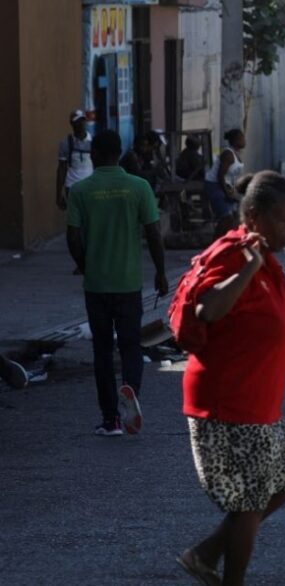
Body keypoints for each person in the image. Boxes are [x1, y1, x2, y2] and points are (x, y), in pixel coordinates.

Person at [178, 171, 285, 586]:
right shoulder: (235, 255)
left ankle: (206, 553)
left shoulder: (267, 260)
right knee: (250, 500)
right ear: (252, 215)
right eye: (283, 220)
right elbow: (208, 311)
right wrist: (248, 268)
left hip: (260, 405)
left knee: (282, 485)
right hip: (228, 402)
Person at [65, 130, 168, 437]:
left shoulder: (81, 191)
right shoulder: (138, 187)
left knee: (102, 350)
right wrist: (161, 272)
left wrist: (84, 266)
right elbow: (153, 233)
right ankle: (131, 389)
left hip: (97, 285)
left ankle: (110, 420)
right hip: (128, 283)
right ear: (119, 152)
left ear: (94, 154)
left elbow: (72, 237)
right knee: (130, 344)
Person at [206, 129, 247, 238]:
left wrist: (232, 192)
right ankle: (214, 244)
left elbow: (231, 178)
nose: (244, 140)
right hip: (214, 185)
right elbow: (220, 176)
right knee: (226, 217)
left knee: (234, 219)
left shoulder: (236, 154)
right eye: (242, 138)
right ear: (235, 140)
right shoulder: (228, 154)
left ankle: (225, 242)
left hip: (226, 186)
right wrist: (227, 193)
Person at [56, 110, 93, 210]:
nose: (81, 124)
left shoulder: (93, 141)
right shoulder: (66, 143)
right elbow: (61, 169)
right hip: (72, 187)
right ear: (72, 124)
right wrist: (58, 194)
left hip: (90, 186)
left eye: (82, 120)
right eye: (78, 121)